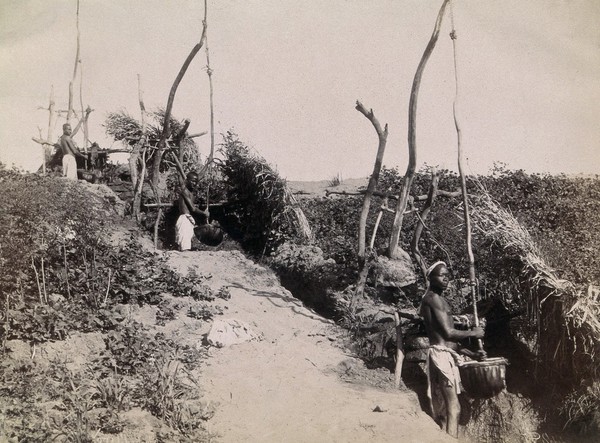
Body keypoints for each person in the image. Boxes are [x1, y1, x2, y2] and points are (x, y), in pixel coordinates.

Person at [419, 261, 485, 439]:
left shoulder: (441, 300)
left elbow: (452, 344)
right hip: (441, 356)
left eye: (447, 275)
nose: (446, 278)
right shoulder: (431, 299)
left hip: (447, 355)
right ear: (430, 278)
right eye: (442, 275)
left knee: (453, 407)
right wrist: (473, 332)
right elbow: (448, 333)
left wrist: (473, 354)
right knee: (453, 408)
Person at [175, 171, 209, 251]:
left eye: (196, 182)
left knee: (186, 244)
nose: (194, 183)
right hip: (184, 219)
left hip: (188, 220)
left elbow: (199, 175)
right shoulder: (184, 191)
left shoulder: (190, 193)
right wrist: (204, 213)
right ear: (187, 180)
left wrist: (208, 163)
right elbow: (193, 209)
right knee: (185, 246)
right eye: (192, 181)